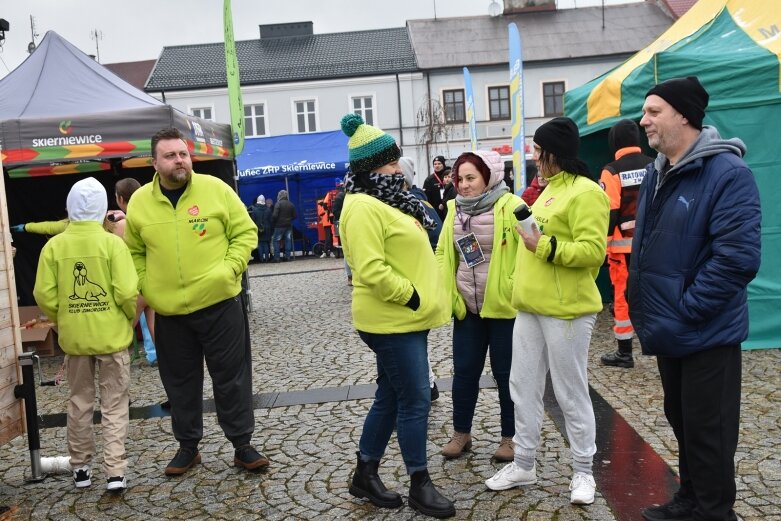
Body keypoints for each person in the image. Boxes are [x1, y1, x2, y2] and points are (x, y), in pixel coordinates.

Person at [630, 77, 761, 521]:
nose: (643, 120)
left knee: (710, 430)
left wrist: (687, 308)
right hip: (671, 326)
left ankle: (714, 510)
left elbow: (737, 260)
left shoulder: (728, 174)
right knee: (683, 422)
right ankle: (691, 498)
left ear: (683, 115)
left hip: (705, 329)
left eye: (653, 111)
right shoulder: (656, 171)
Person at [124, 127, 266, 476]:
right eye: (170, 155)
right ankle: (187, 447)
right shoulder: (141, 202)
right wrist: (147, 286)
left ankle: (242, 444)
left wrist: (229, 270)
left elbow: (246, 232)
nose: (179, 160)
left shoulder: (216, 189)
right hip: (171, 311)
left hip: (220, 304)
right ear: (154, 162)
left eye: (183, 154)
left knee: (231, 377)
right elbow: (133, 252)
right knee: (180, 382)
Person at [485, 117, 609, 506]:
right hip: (531, 307)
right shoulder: (548, 189)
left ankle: (584, 472)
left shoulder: (587, 192)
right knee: (522, 387)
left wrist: (545, 246)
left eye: (538, 150)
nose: (534, 157)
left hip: (567, 310)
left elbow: (593, 252)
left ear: (553, 153)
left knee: (571, 392)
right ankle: (524, 462)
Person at [339, 113, 455, 519]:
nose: (396, 169)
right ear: (372, 168)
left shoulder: (386, 199)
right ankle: (420, 484)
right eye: (390, 163)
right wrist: (411, 297)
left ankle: (364, 472)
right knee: (416, 400)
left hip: (406, 318)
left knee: (391, 395)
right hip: (391, 319)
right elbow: (369, 268)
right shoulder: (361, 206)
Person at [33, 177, 138, 492]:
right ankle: (115, 472)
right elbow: (127, 290)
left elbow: (44, 294)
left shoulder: (54, 245)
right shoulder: (112, 244)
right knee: (115, 403)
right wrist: (126, 319)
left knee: (78, 402)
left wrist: (62, 318)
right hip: (112, 337)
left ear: (70, 206)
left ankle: (80, 468)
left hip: (75, 340)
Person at [435, 150, 521, 463]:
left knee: (507, 374)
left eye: (471, 178)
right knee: (465, 371)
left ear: (489, 176)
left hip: (502, 309)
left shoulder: (511, 206)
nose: (464, 185)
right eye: (459, 178)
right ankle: (461, 433)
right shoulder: (454, 210)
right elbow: (444, 251)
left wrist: (512, 287)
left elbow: (529, 250)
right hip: (467, 308)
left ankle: (511, 437)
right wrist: (449, 292)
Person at [598, 119, 654, 369]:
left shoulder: (611, 171)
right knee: (655, 295)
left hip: (622, 250)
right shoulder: (655, 165)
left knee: (622, 297)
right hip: (652, 246)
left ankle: (624, 352)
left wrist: (603, 246)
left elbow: (609, 212)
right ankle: (660, 346)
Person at [399, 156, 443, 402]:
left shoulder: (418, 204)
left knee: (414, 337)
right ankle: (428, 383)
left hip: (416, 281)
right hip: (409, 281)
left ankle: (425, 386)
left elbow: (438, 240)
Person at [113, 177, 158, 367]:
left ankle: (114, 362)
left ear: (120, 199)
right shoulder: (149, 214)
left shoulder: (121, 225)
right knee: (153, 324)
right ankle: (166, 360)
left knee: (123, 332)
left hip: (136, 283)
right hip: (153, 278)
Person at [271, 189, 296, 262]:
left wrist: (273, 221)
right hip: (288, 225)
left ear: (279, 196)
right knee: (288, 240)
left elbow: (275, 215)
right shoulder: (291, 204)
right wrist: (289, 219)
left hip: (279, 226)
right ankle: (287, 257)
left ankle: (277, 257)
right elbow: (295, 216)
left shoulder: (278, 204)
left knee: (276, 241)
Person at [248, 194, 272, 262]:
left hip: (258, 228)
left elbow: (253, 220)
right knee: (266, 243)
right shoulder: (268, 209)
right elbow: (271, 220)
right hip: (267, 229)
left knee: (260, 244)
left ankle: (261, 259)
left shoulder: (254, 209)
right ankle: (267, 258)